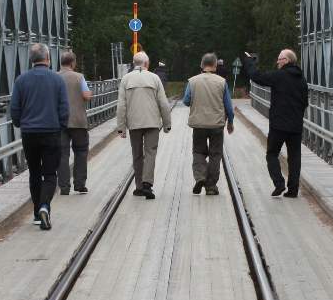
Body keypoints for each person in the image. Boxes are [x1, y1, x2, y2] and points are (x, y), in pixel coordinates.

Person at [9, 43, 68, 229]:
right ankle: (44, 206)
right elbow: (64, 108)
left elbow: (15, 108)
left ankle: (36, 213)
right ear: (48, 59)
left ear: (31, 60)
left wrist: (20, 123)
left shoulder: (21, 80)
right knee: (50, 174)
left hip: (29, 133)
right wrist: (61, 126)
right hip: (51, 132)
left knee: (34, 172)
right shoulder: (57, 80)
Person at [243, 48, 309, 197]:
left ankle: (279, 183)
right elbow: (305, 102)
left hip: (278, 125)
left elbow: (257, 77)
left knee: (272, 154)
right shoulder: (302, 79)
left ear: (286, 61)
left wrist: (250, 62)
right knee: (294, 157)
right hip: (296, 126)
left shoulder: (279, 76)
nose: (277, 62)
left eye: (279, 59)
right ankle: (293, 190)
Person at [116, 51, 172, 199]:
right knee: (150, 152)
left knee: (137, 154)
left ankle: (139, 186)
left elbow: (121, 105)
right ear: (146, 64)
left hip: (134, 123)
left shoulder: (126, 79)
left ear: (134, 63)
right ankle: (148, 184)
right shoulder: (155, 78)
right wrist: (167, 124)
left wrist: (121, 127)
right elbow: (163, 103)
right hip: (152, 123)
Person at [182, 52, 234, 195]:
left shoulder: (192, 81)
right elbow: (229, 106)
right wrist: (230, 122)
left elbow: (186, 101)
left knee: (198, 151)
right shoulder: (222, 82)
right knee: (215, 154)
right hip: (217, 124)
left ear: (202, 65)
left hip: (198, 124)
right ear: (215, 66)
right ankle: (211, 186)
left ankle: (200, 177)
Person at [57, 50, 92, 194]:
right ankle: (79, 184)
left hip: (59, 122)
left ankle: (64, 187)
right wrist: (88, 95)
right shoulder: (79, 77)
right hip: (78, 121)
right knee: (81, 152)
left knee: (62, 154)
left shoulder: (54, 77)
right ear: (73, 63)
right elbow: (86, 95)